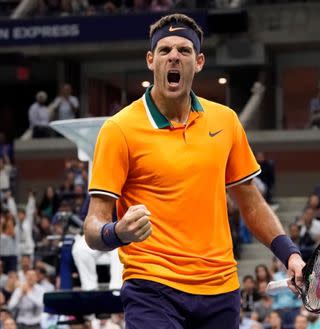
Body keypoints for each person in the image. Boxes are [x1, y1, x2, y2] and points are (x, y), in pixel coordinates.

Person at [83, 13, 305, 329]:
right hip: (152, 287)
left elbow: (251, 203)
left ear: (198, 62)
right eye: (165, 50)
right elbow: (94, 225)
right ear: (150, 60)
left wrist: (291, 256)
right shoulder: (118, 129)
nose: (174, 56)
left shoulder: (226, 121)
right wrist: (116, 232)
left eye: (184, 50)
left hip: (221, 291)